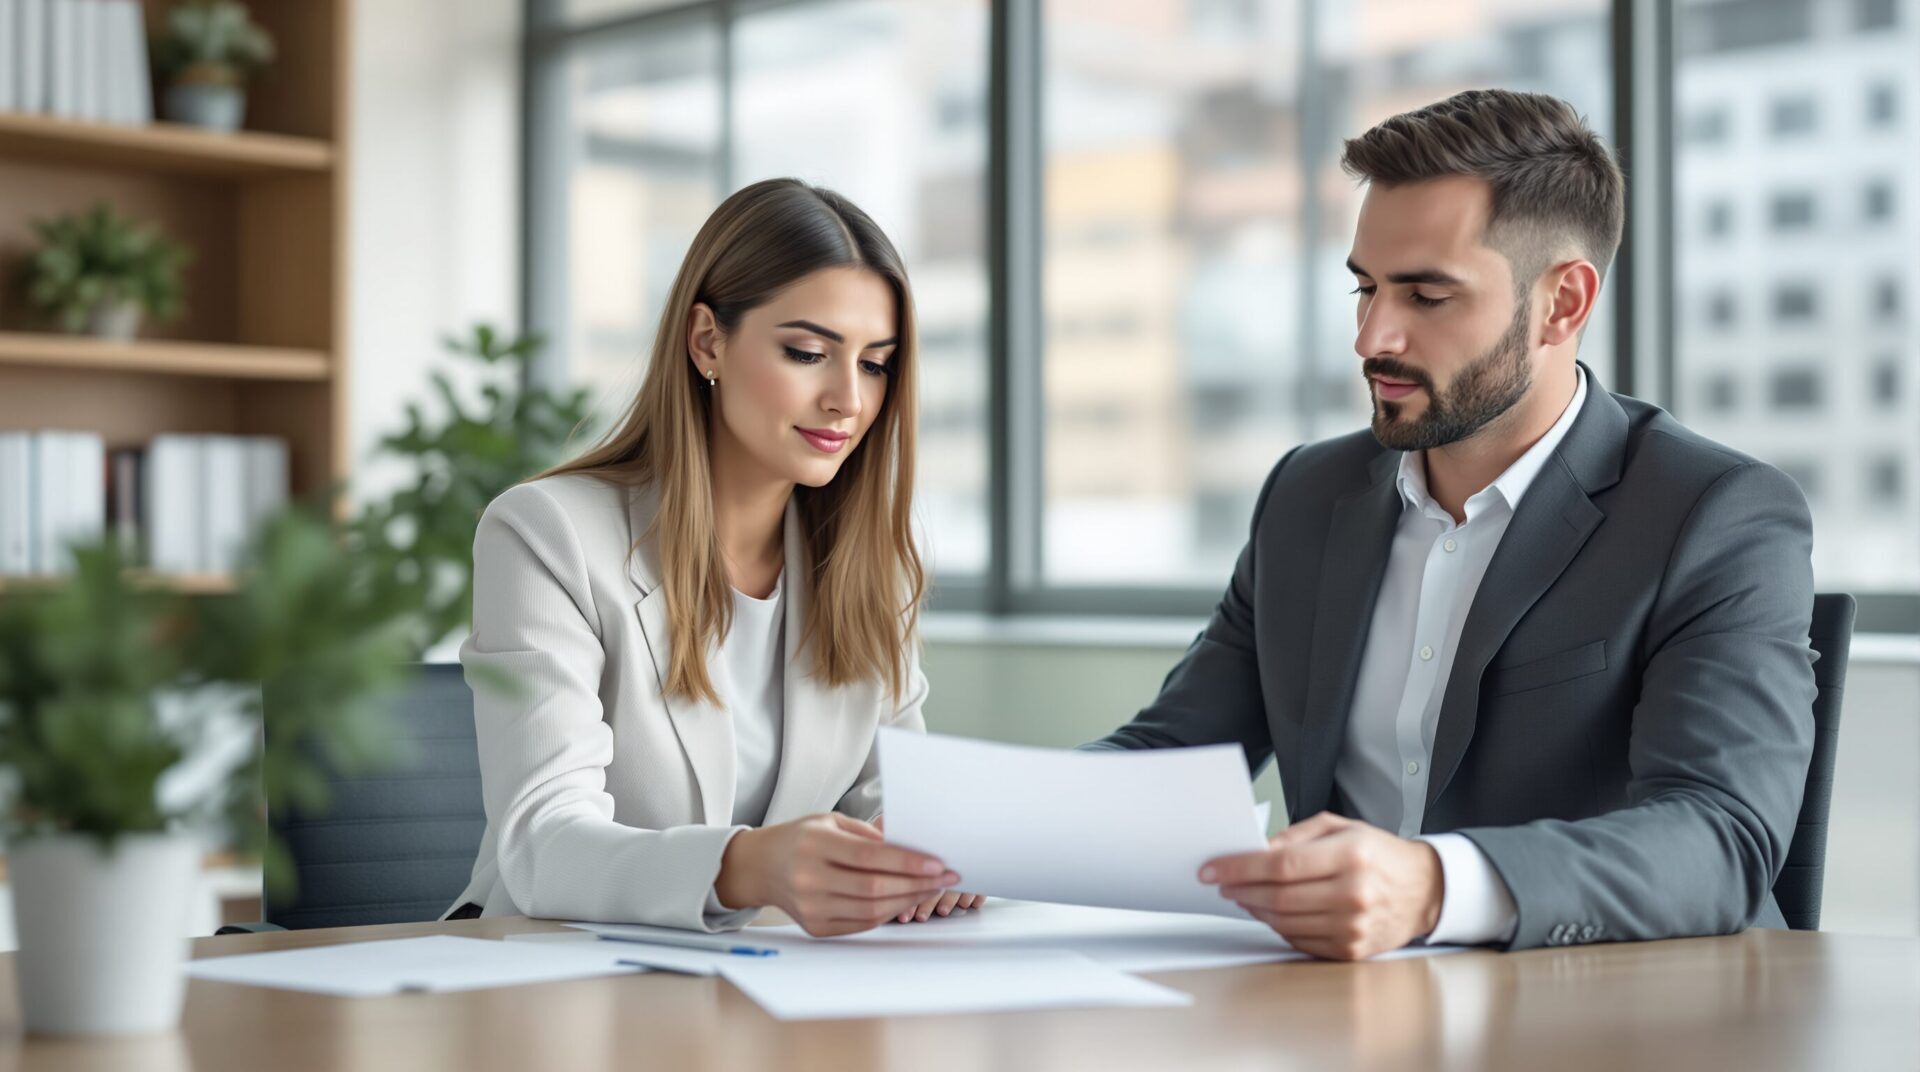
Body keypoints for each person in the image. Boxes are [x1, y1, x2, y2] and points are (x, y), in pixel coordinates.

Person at [1086, 89, 1817, 959]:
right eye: (1364, 288)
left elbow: (1719, 837)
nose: (1371, 337)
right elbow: (1176, 753)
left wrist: (1434, 887)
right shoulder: (1307, 497)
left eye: (1426, 296)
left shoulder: (1715, 516)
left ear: (1562, 304)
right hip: (1344, 1015)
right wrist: (962, 836)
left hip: (1614, 1021)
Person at [445, 178, 981, 936]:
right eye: (807, 352)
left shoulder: (869, 563)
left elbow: (883, 796)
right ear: (707, 341)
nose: (848, 400)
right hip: (561, 977)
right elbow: (541, 844)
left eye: (875, 364)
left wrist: (928, 846)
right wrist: (751, 864)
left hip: (777, 987)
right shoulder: (547, 534)